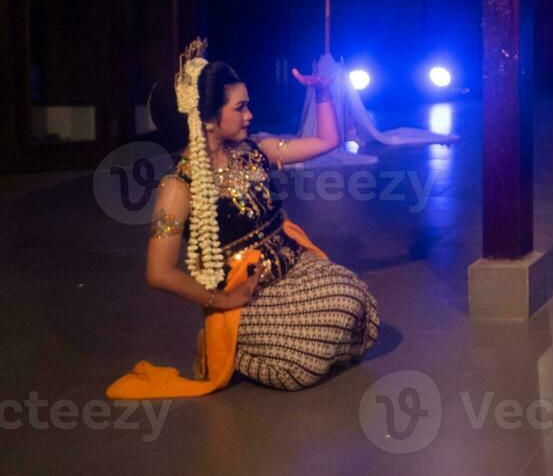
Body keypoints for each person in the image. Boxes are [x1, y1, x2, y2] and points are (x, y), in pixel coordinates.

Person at [108, 40, 379, 398]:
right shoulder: (177, 188)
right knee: (301, 365)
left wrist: (323, 93)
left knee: (357, 302)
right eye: (240, 107)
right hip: (246, 296)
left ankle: (289, 337)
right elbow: (159, 272)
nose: (249, 115)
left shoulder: (255, 149)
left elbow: (328, 141)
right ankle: (233, 349)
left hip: (292, 269)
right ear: (206, 118)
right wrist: (221, 301)